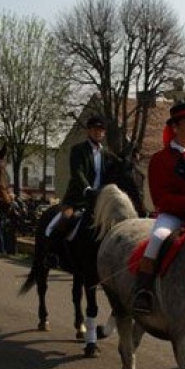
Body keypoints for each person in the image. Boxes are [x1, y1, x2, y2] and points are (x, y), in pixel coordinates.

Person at [132, 101, 185, 315]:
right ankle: (144, 290)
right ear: (175, 127)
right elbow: (160, 198)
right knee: (157, 238)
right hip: (174, 215)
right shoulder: (160, 159)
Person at [46, 113, 118, 264]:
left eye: (101, 130)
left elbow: (118, 167)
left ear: (104, 133)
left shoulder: (106, 154)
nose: (98, 133)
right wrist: (87, 189)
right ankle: (53, 252)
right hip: (78, 198)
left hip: (99, 200)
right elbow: (77, 172)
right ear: (88, 131)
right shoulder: (78, 150)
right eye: (94, 130)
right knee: (65, 218)